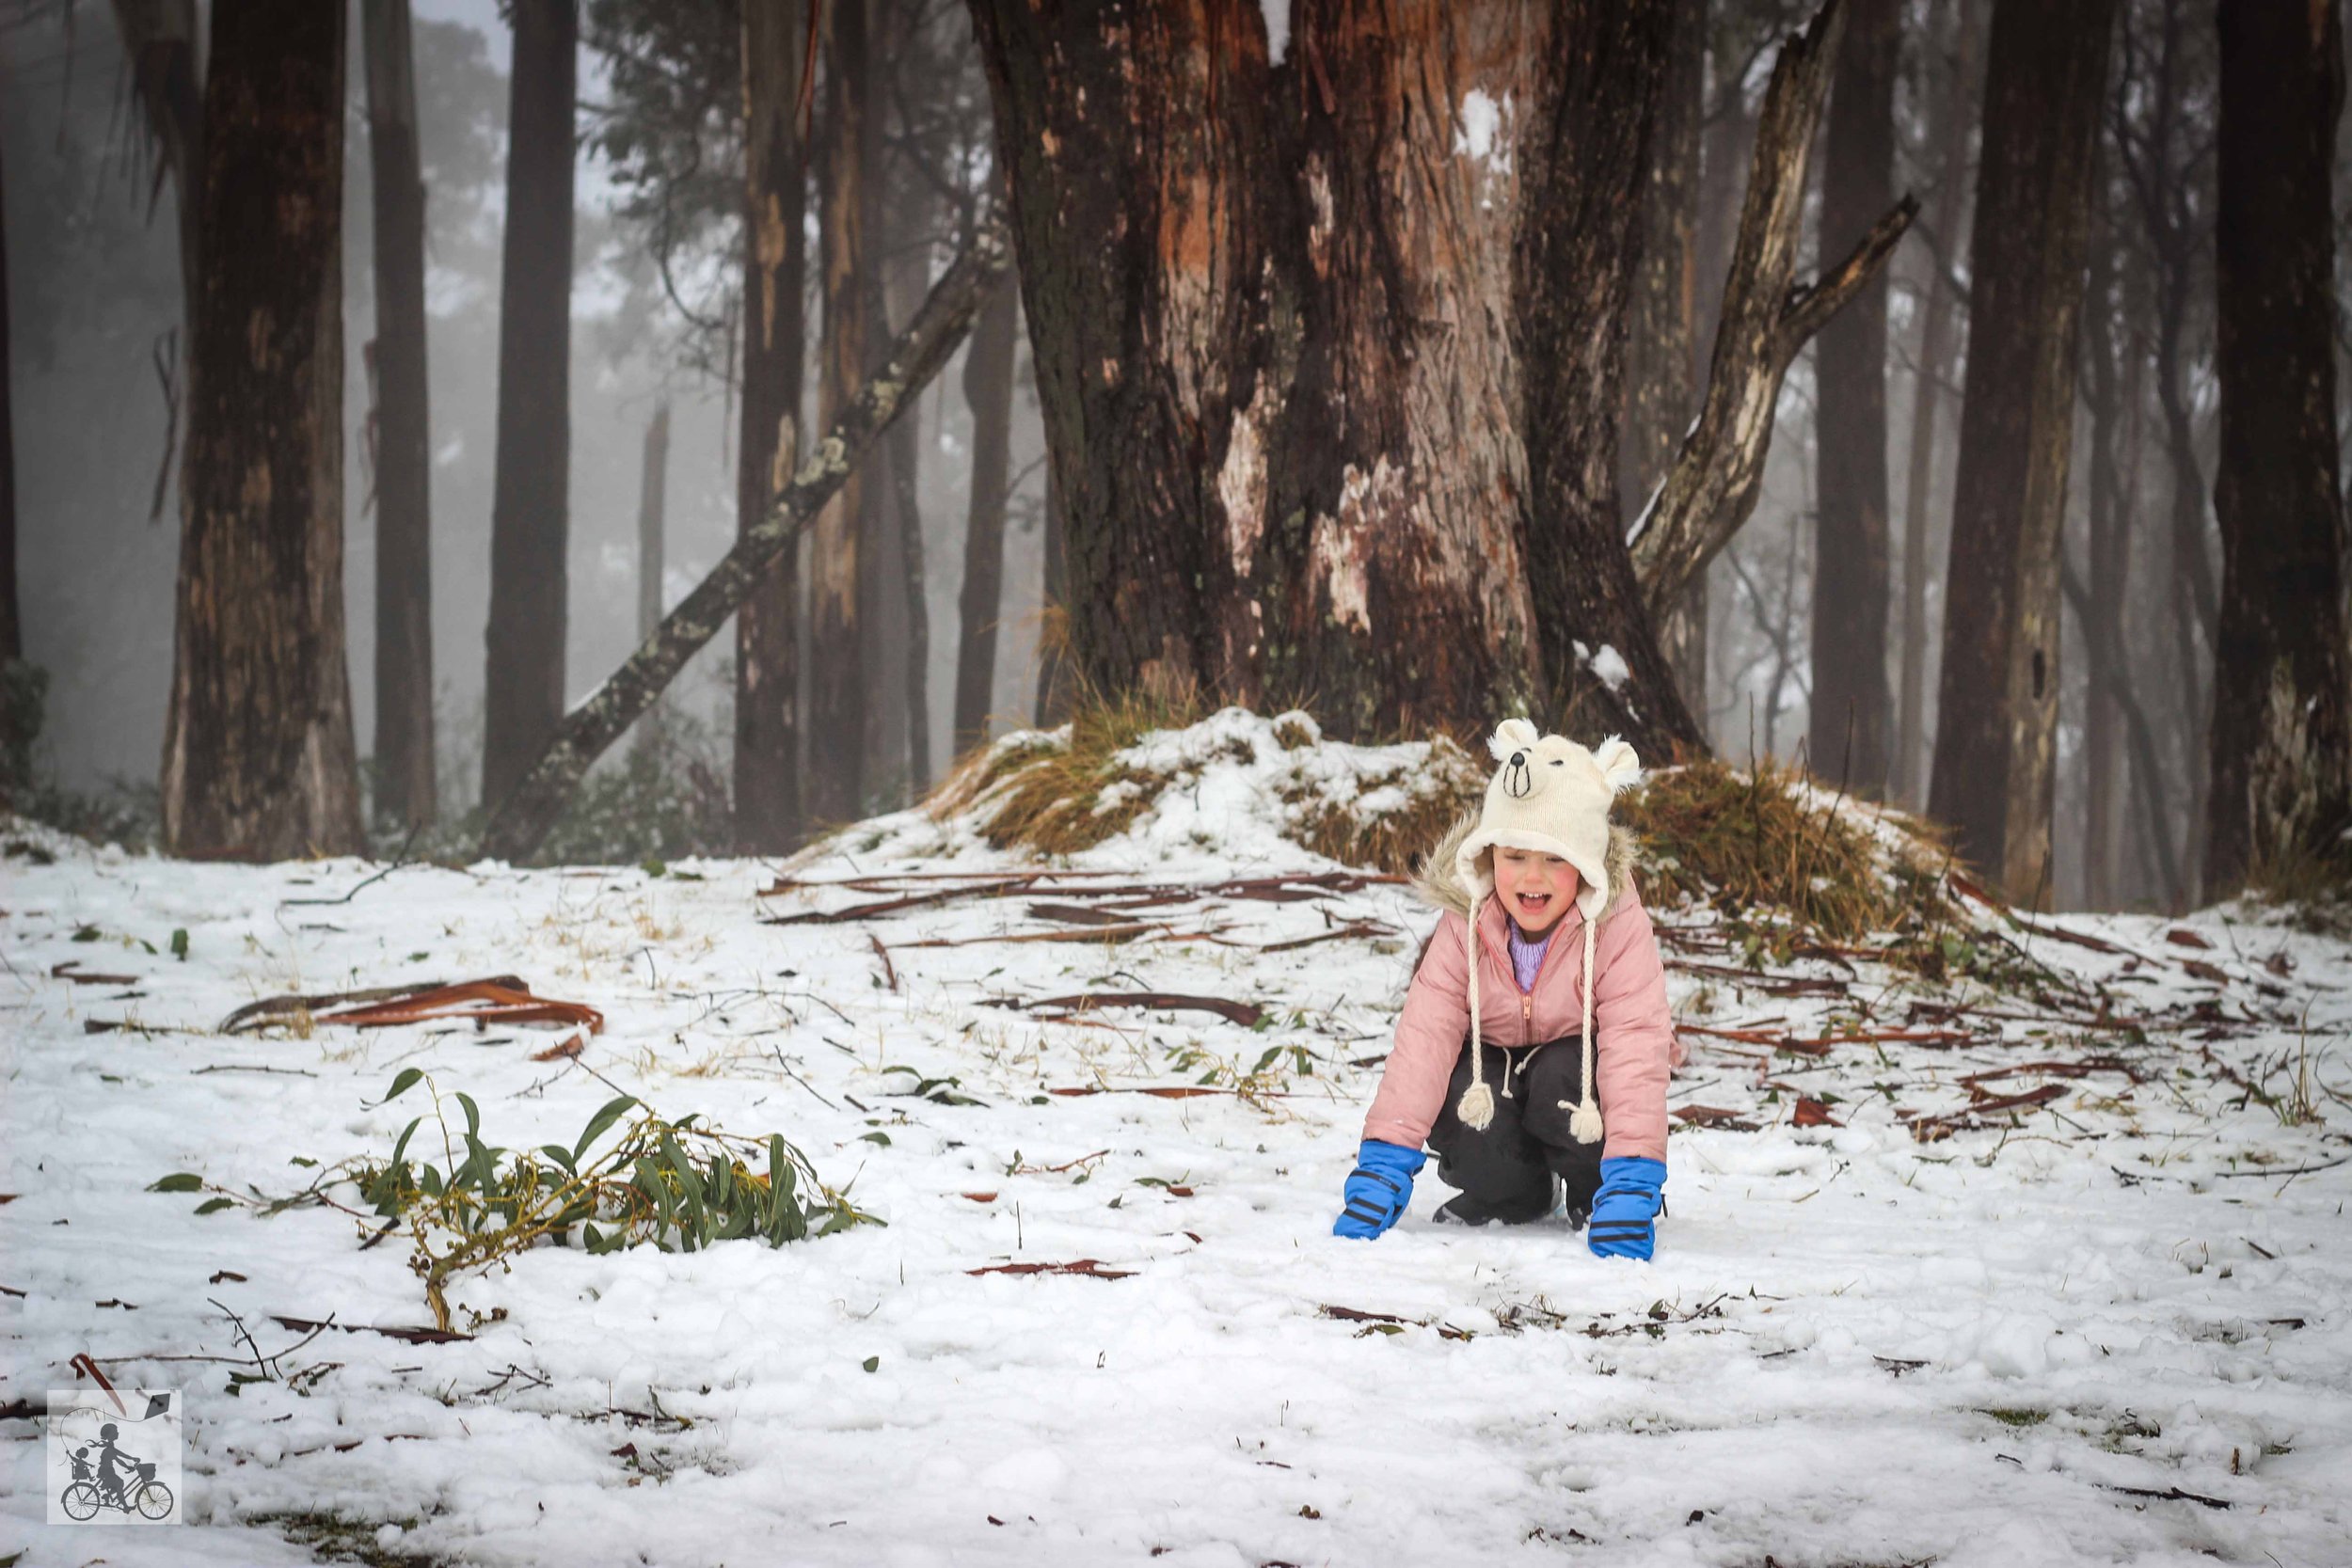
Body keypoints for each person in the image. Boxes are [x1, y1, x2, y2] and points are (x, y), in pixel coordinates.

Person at [1331, 719, 1683, 1259]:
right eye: (1514, 857)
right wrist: (1384, 1162)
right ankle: (1512, 1194)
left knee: (1565, 1079)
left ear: (1587, 867)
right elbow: (1424, 1039)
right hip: (1489, 1071)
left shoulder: (1615, 925)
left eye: (1554, 860)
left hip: (1574, 1075)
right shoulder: (1466, 922)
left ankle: (1598, 1193)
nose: (1531, 878)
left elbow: (1636, 1042)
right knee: (1460, 1096)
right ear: (1489, 855)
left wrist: (1636, 1177)